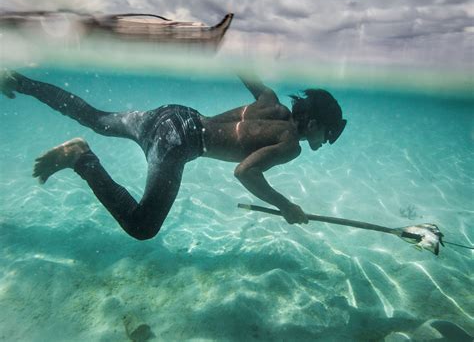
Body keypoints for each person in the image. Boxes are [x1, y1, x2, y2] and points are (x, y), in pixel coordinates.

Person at [0, 70, 346, 240]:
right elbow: (245, 173)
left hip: (174, 115)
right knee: (142, 226)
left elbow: (240, 63)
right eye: (326, 134)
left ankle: (19, 81)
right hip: (179, 140)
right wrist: (285, 206)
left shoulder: (269, 98)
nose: (325, 142)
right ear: (312, 122)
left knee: (96, 118)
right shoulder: (290, 143)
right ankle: (80, 158)